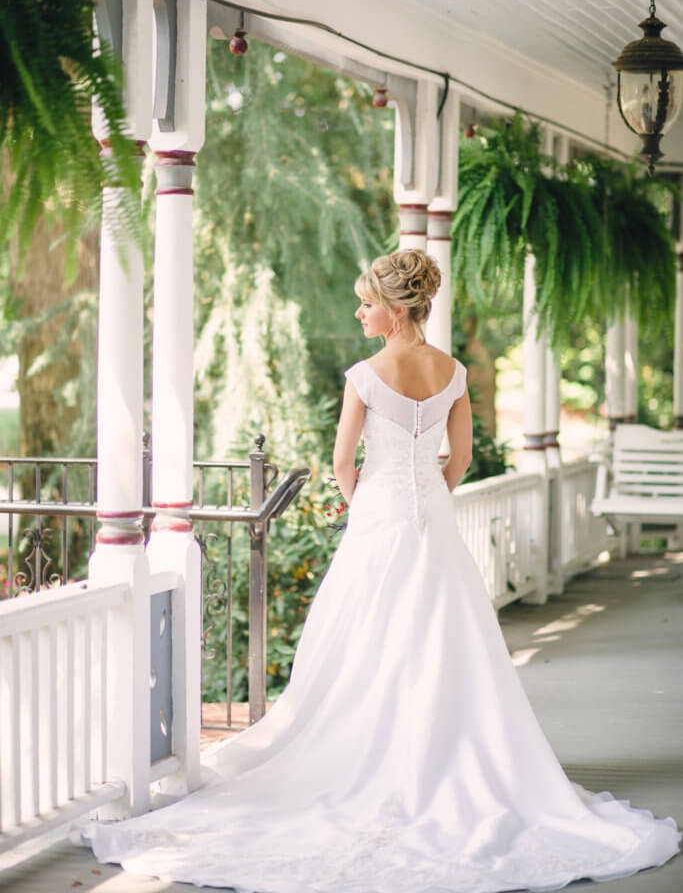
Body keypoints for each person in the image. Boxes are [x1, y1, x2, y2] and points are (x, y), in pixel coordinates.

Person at [80, 250, 681, 892]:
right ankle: (446, 760)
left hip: (378, 523)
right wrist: (430, 496)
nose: (359, 312)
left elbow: (343, 462)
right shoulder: (451, 371)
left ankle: (375, 759)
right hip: (434, 528)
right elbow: (463, 457)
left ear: (395, 311)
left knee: (365, 645)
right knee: (445, 645)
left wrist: (366, 504)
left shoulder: (366, 375)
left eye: (367, 303)